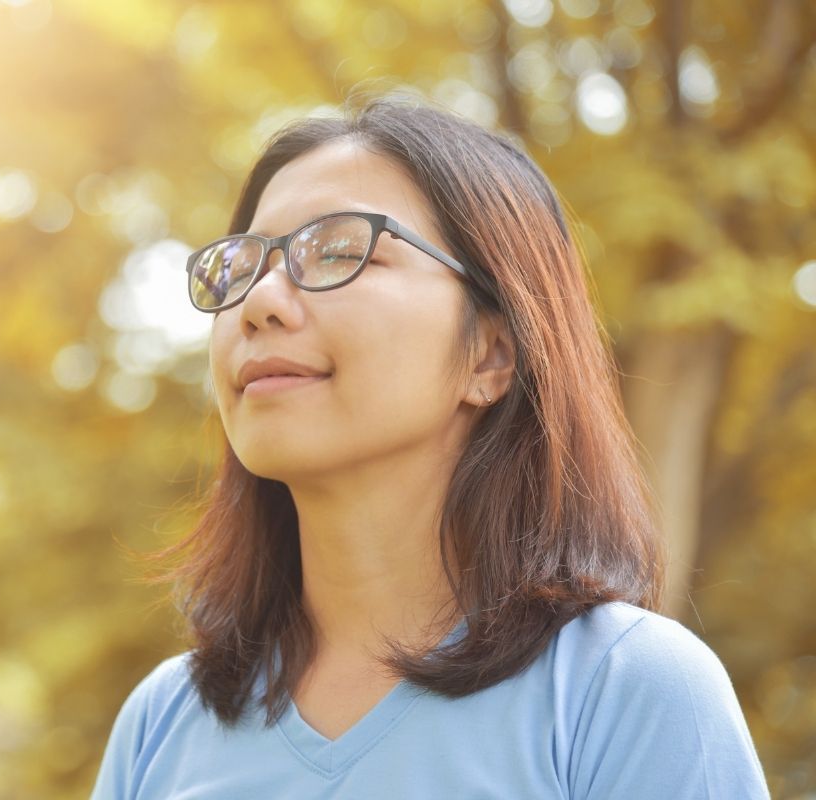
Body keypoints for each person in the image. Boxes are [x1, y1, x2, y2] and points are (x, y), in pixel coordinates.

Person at [89, 93, 770, 799]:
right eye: (243, 266)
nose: (260, 302)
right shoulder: (160, 726)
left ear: (491, 355)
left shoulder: (626, 692)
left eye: (340, 251)